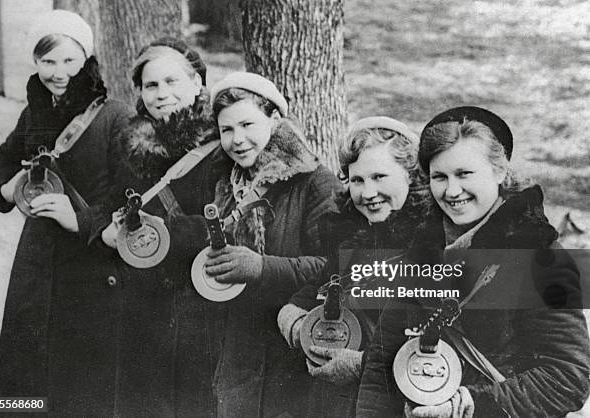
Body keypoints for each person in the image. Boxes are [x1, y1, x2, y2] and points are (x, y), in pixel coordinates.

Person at [356, 106, 590, 417]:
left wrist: (470, 404)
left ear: (499, 171)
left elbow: (567, 377)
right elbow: (382, 365)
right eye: (440, 177)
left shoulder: (539, 255)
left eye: (464, 174)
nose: (452, 191)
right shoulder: (425, 247)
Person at [0, 10, 132, 415]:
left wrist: (81, 219)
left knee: (78, 383)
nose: (58, 71)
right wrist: (10, 187)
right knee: (24, 379)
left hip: (89, 261)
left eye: (69, 60)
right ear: (36, 62)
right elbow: (3, 163)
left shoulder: (115, 116)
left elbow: (132, 195)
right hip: (35, 262)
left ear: (86, 60)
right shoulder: (34, 112)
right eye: (48, 61)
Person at [98, 37, 231, 416]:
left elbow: (233, 219)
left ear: (197, 84)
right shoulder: (132, 144)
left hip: (203, 307)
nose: (162, 94)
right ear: (139, 93)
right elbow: (107, 206)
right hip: (143, 309)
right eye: (151, 85)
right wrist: (106, 231)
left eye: (173, 82)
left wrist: (164, 232)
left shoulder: (222, 143)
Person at [206, 71, 341, 416]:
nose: (238, 139)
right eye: (227, 130)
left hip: (291, 352)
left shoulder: (314, 183)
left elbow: (335, 268)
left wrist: (262, 267)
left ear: (275, 119)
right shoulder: (225, 183)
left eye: (248, 124)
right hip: (238, 352)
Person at [277, 116, 431, 416]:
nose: (368, 193)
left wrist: (361, 365)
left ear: (411, 176)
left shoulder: (429, 242)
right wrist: (294, 317)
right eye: (357, 180)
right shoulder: (354, 233)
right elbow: (323, 284)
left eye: (379, 177)